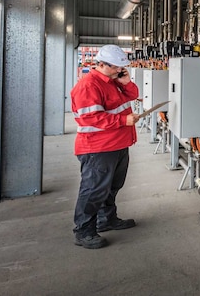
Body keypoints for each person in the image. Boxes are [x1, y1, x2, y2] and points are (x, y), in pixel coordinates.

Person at [70, 44, 141, 249]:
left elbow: (133, 95)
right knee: (93, 190)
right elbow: (89, 118)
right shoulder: (88, 85)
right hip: (98, 148)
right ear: (101, 64)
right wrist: (122, 121)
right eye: (116, 67)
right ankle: (83, 231)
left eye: (121, 67)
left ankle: (106, 219)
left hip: (117, 145)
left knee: (111, 187)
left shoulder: (112, 80)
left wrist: (126, 82)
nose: (119, 70)